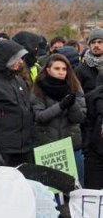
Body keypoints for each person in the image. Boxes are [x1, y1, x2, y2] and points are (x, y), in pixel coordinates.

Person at [31, 54, 86, 182]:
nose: (61, 72)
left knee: (75, 189)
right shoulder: (38, 89)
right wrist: (61, 106)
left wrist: (71, 104)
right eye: (57, 69)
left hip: (72, 146)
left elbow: (79, 118)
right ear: (48, 70)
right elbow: (40, 117)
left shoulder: (75, 87)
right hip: (48, 148)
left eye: (64, 69)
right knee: (50, 191)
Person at [83, 78, 103, 189]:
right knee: (93, 195)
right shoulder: (95, 96)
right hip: (96, 155)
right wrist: (87, 149)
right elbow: (88, 125)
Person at [76, 28, 103, 95]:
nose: (96, 45)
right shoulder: (81, 70)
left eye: (100, 42)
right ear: (89, 45)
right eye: (93, 42)